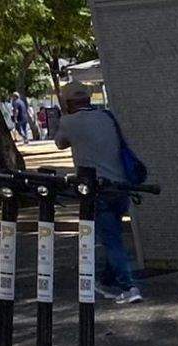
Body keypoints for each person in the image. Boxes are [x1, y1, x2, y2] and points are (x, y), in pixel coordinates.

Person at [52, 82, 144, 304]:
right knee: (114, 235)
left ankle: (128, 286)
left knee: (111, 240)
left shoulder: (68, 122)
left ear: (67, 103)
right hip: (121, 185)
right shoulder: (106, 117)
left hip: (98, 188)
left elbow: (59, 144)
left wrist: (60, 120)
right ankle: (107, 279)